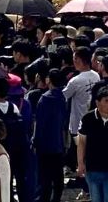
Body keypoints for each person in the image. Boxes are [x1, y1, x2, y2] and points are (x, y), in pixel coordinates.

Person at [34, 69, 67, 202]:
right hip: (59, 143)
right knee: (58, 177)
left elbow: (39, 123)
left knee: (45, 179)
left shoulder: (44, 98)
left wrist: (35, 142)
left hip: (45, 145)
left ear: (49, 80)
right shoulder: (63, 98)